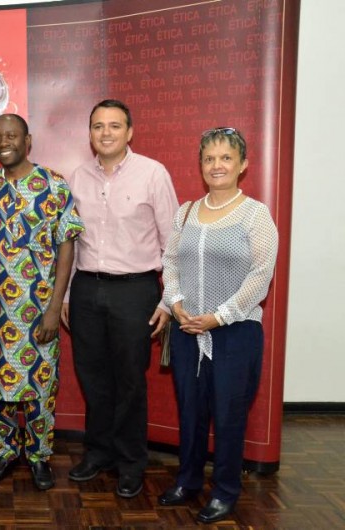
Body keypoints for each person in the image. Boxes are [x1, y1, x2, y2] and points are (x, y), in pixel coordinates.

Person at [157, 128, 278, 523]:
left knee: (228, 414)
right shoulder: (187, 211)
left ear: (243, 165)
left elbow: (261, 275)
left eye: (226, 158)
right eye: (209, 159)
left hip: (234, 332)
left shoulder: (255, 214)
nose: (217, 165)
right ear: (201, 165)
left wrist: (219, 316)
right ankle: (188, 480)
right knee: (191, 411)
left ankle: (225, 490)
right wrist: (175, 304)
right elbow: (171, 261)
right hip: (188, 328)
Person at [63, 99, 178, 498]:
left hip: (135, 289)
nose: (105, 133)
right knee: (93, 379)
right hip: (86, 289)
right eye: (98, 126)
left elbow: (173, 243)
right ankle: (98, 454)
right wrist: (66, 294)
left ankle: (131, 462)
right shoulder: (77, 177)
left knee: (129, 381)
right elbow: (72, 241)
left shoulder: (152, 174)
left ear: (129, 132)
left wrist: (168, 301)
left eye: (114, 126)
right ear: (90, 133)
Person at [0, 114, 84, 490]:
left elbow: (67, 243)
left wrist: (56, 307)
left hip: (40, 309)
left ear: (28, 140)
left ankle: (39, 457)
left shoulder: (53, 184)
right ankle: (5, 453)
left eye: (11, 135)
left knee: (40, 388)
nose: (3, 142)